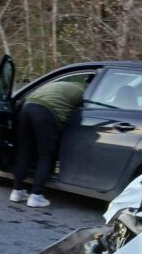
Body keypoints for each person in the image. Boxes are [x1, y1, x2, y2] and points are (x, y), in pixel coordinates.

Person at [9, 79, 86, 208]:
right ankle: (36, 196)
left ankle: (16, 191)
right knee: (45, 155)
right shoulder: (84, 91)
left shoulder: (63, 84)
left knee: (24, 151)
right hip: (45, 113)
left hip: (27, 107)